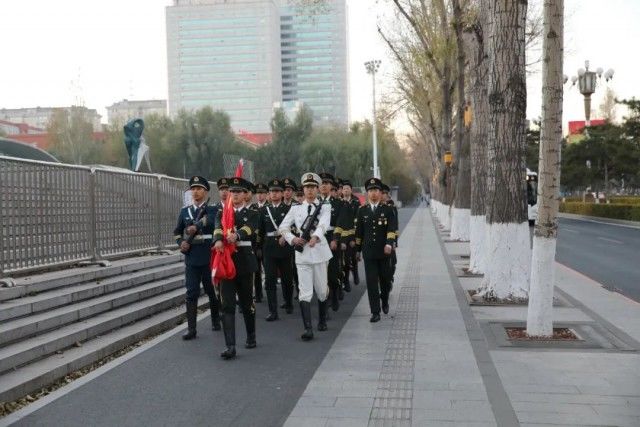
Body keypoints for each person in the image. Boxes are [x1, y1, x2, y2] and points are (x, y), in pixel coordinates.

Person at [279, 173, 332, 341]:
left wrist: (316, 236)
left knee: (322, 291)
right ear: (303, 189)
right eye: (307, 188)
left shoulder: (325, 206)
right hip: (302, 256)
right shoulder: (296, 208)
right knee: (305, 292)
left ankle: (322, 320)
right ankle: (308, 328)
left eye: (313, 187)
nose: (309, 191)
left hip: (320, 253)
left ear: (317, 189)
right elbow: (283, 228)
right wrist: (293, 239)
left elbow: (324, 224)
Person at [212, 177, 259, 360]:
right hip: (226, 263)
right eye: (232, 192)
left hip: (245, 263)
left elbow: (250, 229)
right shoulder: (222, 213)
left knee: (247, 304)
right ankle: (230, 346)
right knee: (227, 305)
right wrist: (218, 240)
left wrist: (236, 235)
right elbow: (217, 228)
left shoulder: (252, 212)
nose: (235, 195)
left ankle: (251, 335)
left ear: (245, 195)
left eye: (238, 192)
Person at [173, 176, 221, 340]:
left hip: (208, 256)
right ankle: (191, 329)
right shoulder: (184, 211)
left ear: (206, 191)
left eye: (199, 188)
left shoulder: (213, 208)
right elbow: (177, 232)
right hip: (192, 259)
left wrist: (196, 226)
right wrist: (181, 243)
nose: (195, 191)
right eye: (193, 188)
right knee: (191, 292)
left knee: (211, 291)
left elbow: (212, 220)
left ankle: (216, 319)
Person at [355, 178, 398, 323]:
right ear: (367, 193)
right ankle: (375, 312)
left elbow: (392, 229)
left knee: (385, 280)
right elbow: (359, 233)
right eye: (370, 191)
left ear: (380, 193)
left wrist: (389, 243)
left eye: (376, 190)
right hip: (369, 253)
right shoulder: (362, 211)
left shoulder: (388, 209)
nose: (373, 193)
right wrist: (357, 250)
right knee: (371, 282)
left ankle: (384, 299)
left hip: (384, 252)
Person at [258, 179, 294, 321]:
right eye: (272, 191)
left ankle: (289, 302)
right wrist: (259, 248)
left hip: (285, 248)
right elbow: (260, 232)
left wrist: (286, 236)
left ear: (282, 193)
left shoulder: (289, 209)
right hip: (269, 249)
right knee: (270, 280)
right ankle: (273, 311)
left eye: (277, 191)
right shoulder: (263, 210)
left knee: (287, 278)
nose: (274, 194)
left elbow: (295, 228)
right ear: (269, 194)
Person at [317, 172, 348, 312]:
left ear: (331, 186)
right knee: (320, 273)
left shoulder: (338, 203)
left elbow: (341, 223)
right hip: (317, 239)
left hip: (331, 238)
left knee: (332, 273)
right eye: (321, 183)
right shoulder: (314, 203)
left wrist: (336, 239)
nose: (324, 186)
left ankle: (334, 295)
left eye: (326, 183)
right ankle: (326, 299)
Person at [339, 179, 361, 289]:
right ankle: (346, 281)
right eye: (344, 189)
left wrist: (353, 238)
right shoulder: (339, 202)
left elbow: (357, 221)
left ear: (351, 190)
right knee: (345, 261)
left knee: (352, 257)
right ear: (342, 191)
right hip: (341, 235)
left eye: (348, 188)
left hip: (352, 234)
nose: (346, 190)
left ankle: (355, 273)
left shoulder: (356, 202)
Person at [249, 182, 268, 303]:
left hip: (266, 243)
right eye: (258, 193)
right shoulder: (252, 208)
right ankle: (259, 294)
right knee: (256, 270)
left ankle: (269, 288)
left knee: (268, 269)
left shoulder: (270, 207)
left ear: (266, 194)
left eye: (262, 193)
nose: (260, 196)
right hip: (254, 244)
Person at [381, 183, 399, 289]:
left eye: (384, 193)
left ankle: (390, 277)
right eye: (381, 193)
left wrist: (394, 242)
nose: (383, 195)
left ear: (387, 195)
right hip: (378, 241)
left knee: (392, 262)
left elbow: (395, 225)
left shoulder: (392, 208)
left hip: (390, 239)